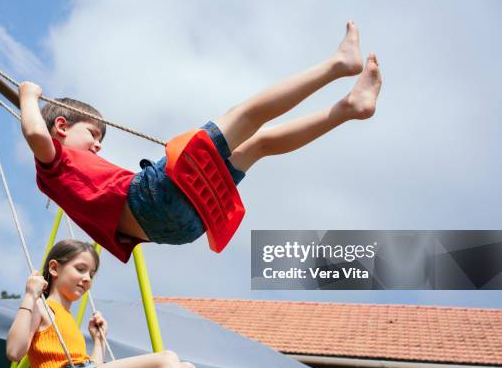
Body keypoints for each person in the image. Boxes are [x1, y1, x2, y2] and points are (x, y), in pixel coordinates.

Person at [19, 21, 382, 263]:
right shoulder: (52, 164)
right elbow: (36, 132)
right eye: (94, 134)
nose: (98, 145)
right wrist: (29, 96)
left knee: (258, 144)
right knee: (247, 113)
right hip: (154, 199)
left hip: (181, 229)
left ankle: (348, 108)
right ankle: (337, 65)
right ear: (62, 127)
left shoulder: (66, 179)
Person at [6, 239, 214, 368]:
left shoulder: (69, 319)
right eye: (80, 269)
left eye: (92, 274)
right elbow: (14, 351)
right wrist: (30, 295)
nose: (87, 278)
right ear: (54, 268)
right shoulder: (41, 306)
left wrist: (98, 341)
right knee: (166, 360)